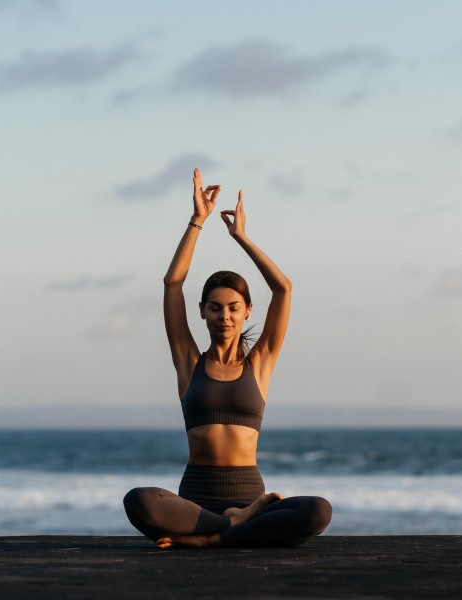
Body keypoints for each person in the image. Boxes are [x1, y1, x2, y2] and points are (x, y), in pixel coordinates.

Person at [123, 168, 332, 548]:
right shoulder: (189, 362)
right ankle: (232, 527)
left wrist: (241, 237)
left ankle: (213, 539)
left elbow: (283, 288)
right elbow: (173, 283)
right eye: (215, 308)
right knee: (139, 501)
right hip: (196, 501)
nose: (225, 316)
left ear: (248, 310)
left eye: (234, 307)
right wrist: (197, 222)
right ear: (202, 311)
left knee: (318, 510)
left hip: (250, 494)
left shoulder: (260, 362)